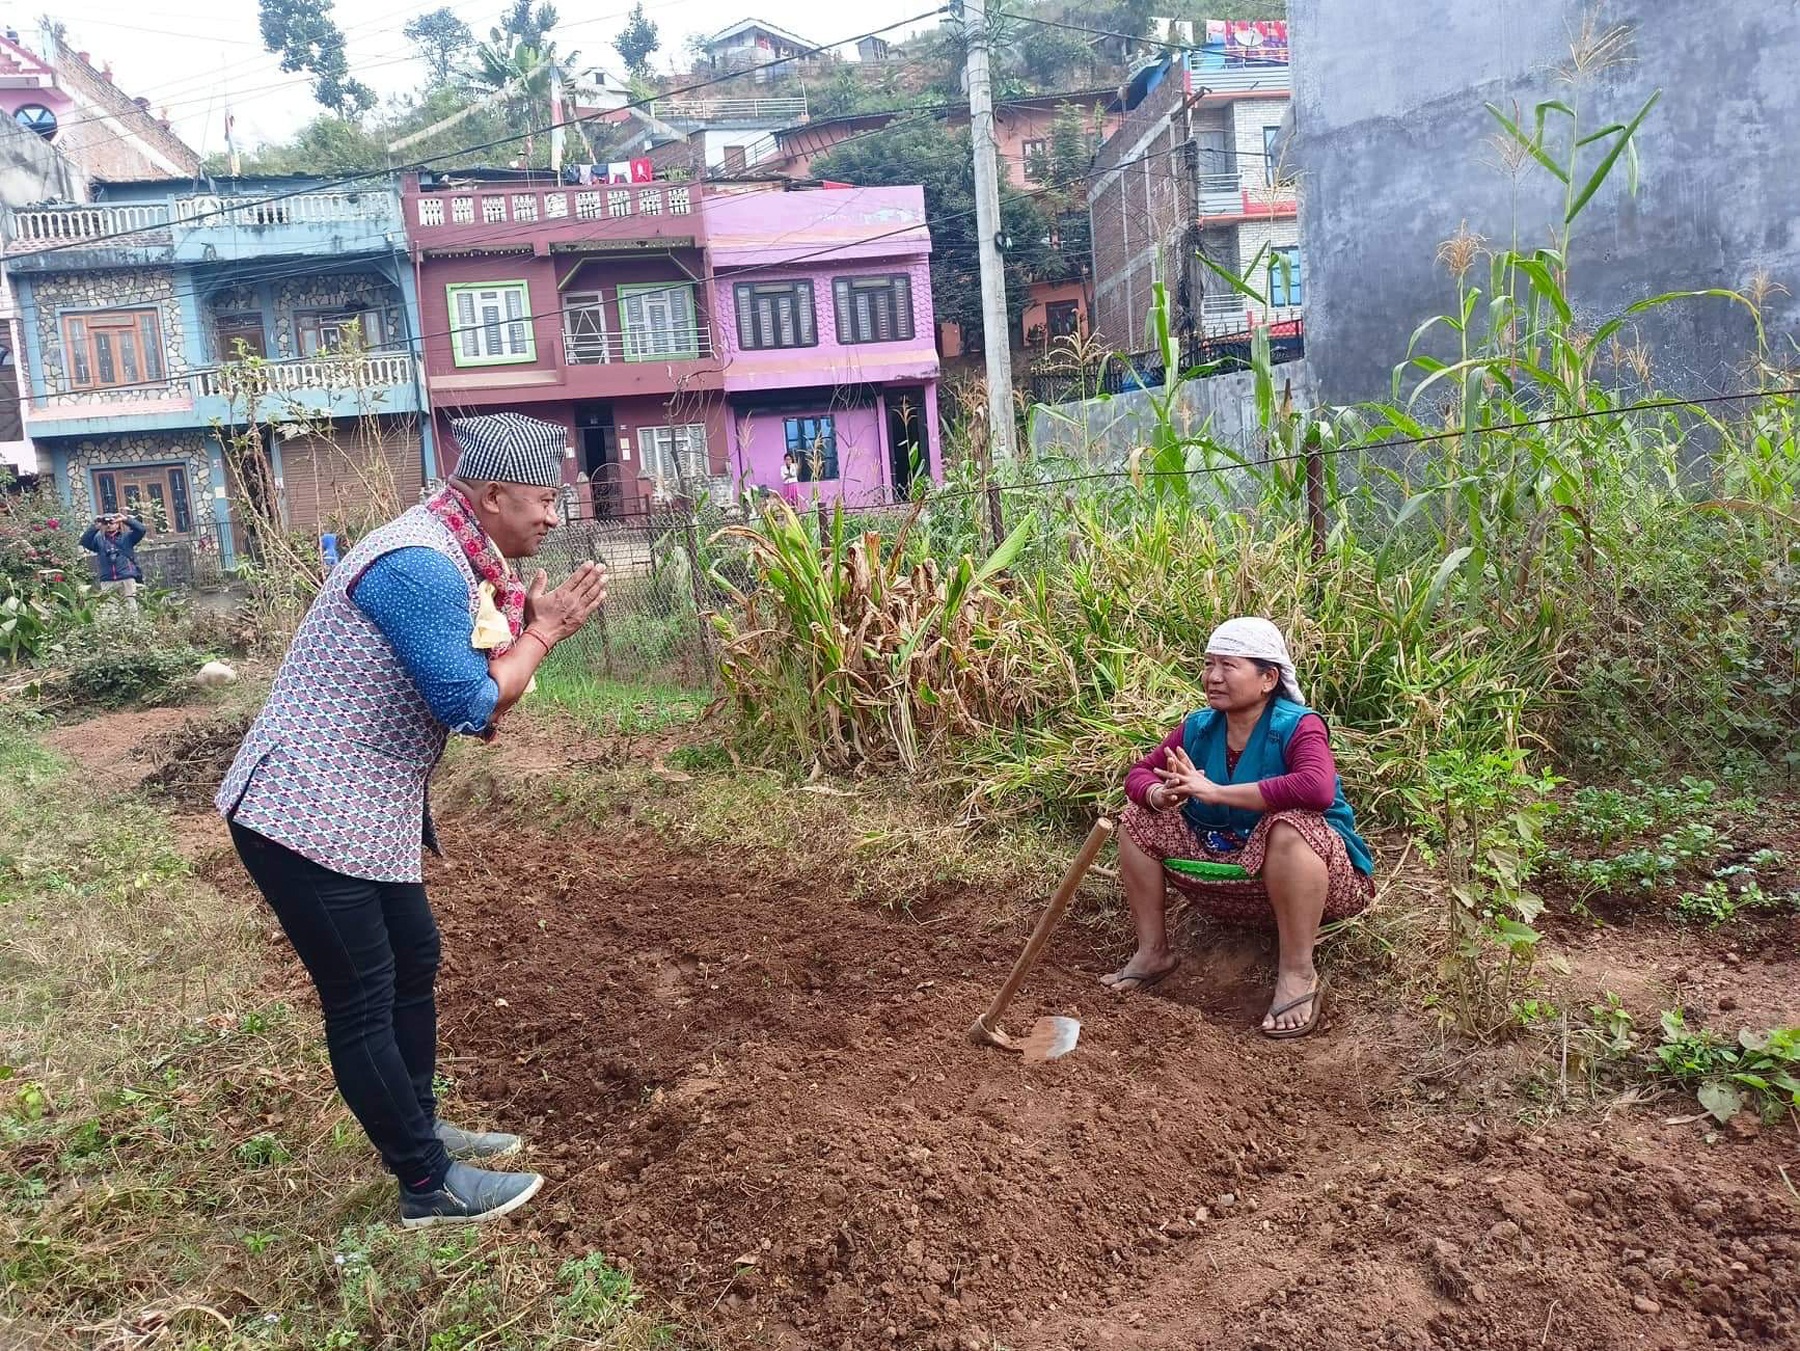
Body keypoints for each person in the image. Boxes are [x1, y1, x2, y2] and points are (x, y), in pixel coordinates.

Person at [215, 412, 608, 1228]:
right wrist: (544, 630)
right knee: (360, 997)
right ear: (492, 493)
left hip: (359, 807)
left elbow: (480, 677)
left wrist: (530, 632)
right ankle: (426, 1183)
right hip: (302, 810)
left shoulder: (456, 556)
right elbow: (469, 700)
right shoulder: (419, 564)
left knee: (413, 954)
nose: (551, 516)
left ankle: (418, 1119)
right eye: (542, 499)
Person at [1104, 617, 1374, 1039]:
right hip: (1229, 870)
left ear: (1268, 678)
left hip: (1318, 880)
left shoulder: (1299, 725)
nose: (1213, 677)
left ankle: (1298, 974)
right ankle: (1153, 953)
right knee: (1137, 817)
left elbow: (1317, 788)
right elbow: (1140, 774)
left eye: (1228, 666)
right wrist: (1163, 794)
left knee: (1289, 827)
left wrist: (1214, 792)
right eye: (1209, 664)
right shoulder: (1200, 726)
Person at [80, 511, 146, 606]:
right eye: (105, 523)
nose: (109, 525)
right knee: (111, 612)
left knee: (131, 609)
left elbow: (141, 530)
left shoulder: (127, 538)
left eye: (111, 522)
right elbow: (84, 541)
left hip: (126, 577)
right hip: (108, 580)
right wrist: (95, 526)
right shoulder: (98, 540)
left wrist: (125, 519)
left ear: (118, 524)